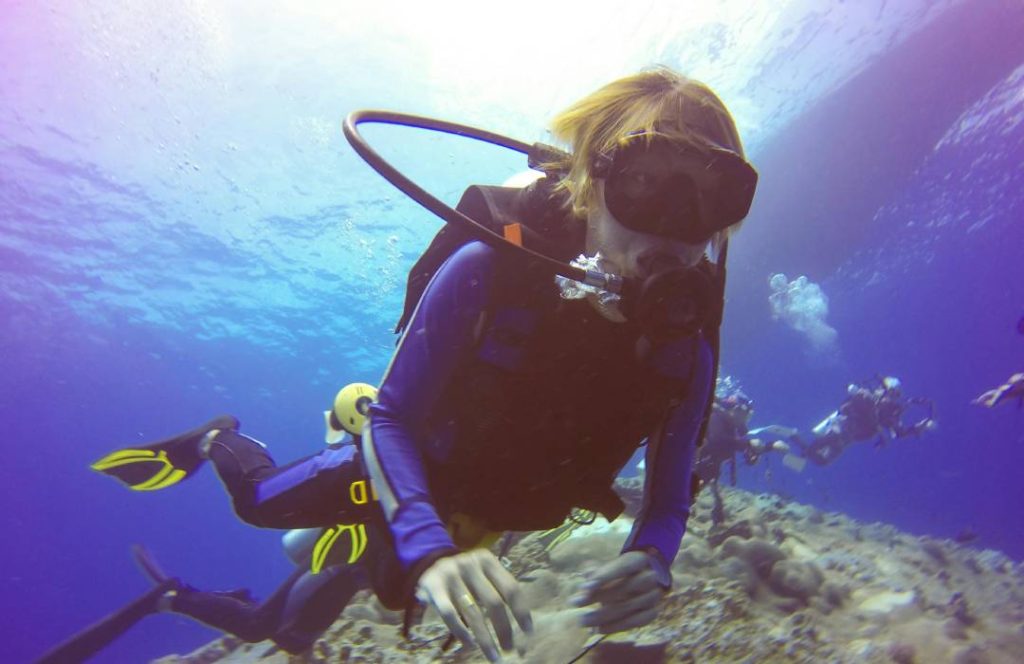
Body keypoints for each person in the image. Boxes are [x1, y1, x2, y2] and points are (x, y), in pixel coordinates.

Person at [92, 67, 758, 662]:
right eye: (644, 185)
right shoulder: (489, 272)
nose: (672, 226)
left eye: (711, 198)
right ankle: (217, 437)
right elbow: (394, 418)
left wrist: (653, 558)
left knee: (383, 589)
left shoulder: (684, 352)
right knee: (259, 506)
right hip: (415, 467)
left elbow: (669, 497)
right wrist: (429, 546)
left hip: (500, 504)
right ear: (590, 183)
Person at [44, 385, 375, 662]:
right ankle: (217, 438)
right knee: (253, 500)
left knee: (281, 635)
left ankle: (173, 597)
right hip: (352, 513)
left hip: (359, 549)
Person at [694, 388, 796, 525]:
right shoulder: (716, 416)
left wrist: (770, 446)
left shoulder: (732, 427)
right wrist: (749, 444)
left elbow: (744, 446)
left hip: (705, 469)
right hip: (693, 465)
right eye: (746, 415)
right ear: (737, 410)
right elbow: (717, 440)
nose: (746, 420)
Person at [795, 376, 936, 466]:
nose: (892, 398)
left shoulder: (889, 412)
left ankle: (795, 439)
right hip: (842, 426)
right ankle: (801, 452)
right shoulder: (866, 397)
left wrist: (916, 428)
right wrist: (860, 397)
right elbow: (848, 403)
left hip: (851, 438)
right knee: (829, 439)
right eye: (891, 393)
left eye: (896, 395)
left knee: (823, 461)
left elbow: (898, 433)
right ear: (882, 389)